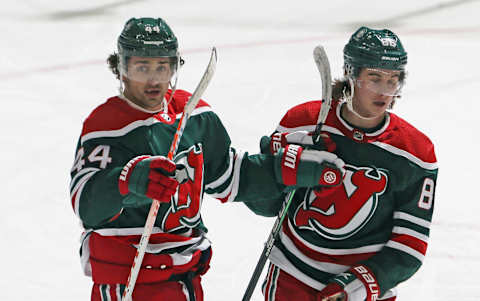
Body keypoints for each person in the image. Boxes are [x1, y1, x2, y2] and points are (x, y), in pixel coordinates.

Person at [69, 17, 346, 301]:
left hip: (186, 280)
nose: (153, 79)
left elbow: (231, 176)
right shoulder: (106, 124)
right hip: (129, 280)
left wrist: (282, 170)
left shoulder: (194, 116)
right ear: (121, 69)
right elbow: (86, 204)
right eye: (142, 68)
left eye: (162, 67)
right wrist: (129, 180)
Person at [251, 27, 438, 301]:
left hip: (364, 288)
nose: (384, 91)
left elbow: (409, 247)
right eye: (374, 78)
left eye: (393, 80)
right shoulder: (304, 122)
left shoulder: (415, 153)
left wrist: (356, 286)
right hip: (294, 274)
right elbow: (264, 206)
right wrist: (281, 167)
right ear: (352, 73)